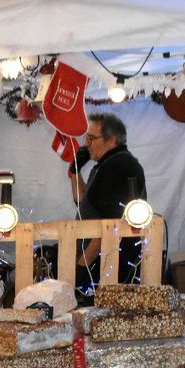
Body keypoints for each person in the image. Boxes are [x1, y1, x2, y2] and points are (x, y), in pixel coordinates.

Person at [67, 112, 147, 300]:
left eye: (91, 138)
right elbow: (82, 201)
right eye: (86, 138)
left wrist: (82, 265)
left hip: (107, 266)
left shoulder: (118, 165)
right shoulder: (106, 164)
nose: (86, 144)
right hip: (100, 262)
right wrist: (74, 172)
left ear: (111, 140)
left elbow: (111, 225)